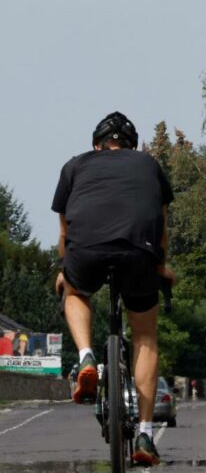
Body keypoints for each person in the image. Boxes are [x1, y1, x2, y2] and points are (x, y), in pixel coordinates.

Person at [52, 111, 175, 466]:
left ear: (96, 145)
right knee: (145, 337)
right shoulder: (148, 165)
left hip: (86, 250)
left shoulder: (74, 166)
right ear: (132, 147)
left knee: (75, 292)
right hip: (139, 250)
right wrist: (161, 267)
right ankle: (146, 435)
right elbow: (161, 225)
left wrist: (67, 271)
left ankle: (88, 356)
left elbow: (65, 232)